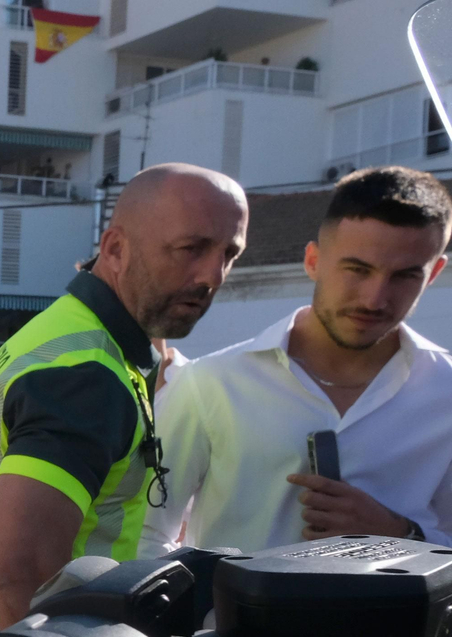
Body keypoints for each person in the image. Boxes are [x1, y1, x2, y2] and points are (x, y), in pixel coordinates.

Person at [0, 163, 247, 626]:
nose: (213, 275)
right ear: (116, 249)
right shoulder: (86, 371)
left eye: (229, 254)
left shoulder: (71, 332)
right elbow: (20, 575)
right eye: (191, 248)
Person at [149, 167, 452, 553]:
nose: (375, 298)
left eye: (405, 276)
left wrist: (401, 534)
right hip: (228, 598)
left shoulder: (446, 392)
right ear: (313, 261)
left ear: (433, 273)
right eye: (357, 270)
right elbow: (147, 534)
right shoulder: (210, 383)